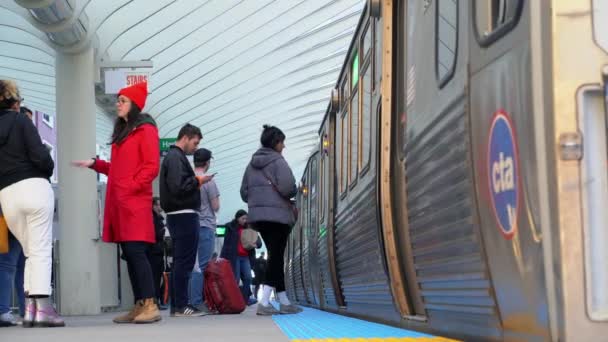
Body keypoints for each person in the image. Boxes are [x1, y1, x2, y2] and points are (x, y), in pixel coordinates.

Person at [72, 82, 161, 324]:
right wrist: (95, 164)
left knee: (136, 252)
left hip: (133, 203)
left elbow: (151, 167)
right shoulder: (125, 132)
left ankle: (150, 304)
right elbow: (119, 169)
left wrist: (128, 187)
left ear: (134, 105)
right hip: (122, 203)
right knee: (129, 254)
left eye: (123, 100)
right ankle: (141, 304)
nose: (117, 104)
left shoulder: (145, 130)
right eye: (118, 100)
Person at [0, 80, 63, 327]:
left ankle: (30, 310)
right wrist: (46, 167)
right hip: (33, 188)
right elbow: (42, 157)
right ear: (15, 102)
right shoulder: (21, 121)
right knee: (40, 250)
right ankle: (44, 309)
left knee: (29, 251)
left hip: (6, 195)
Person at [240, 125, 302, 315]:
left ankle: (283, 300)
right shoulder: (278, 161)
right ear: (275, 143)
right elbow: (288, 188)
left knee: (276, 256)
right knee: (275, 258)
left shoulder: (251, 165)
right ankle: (265, 302)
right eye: (282, 142)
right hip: (278, 217)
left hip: (260, 219)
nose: (284, 146)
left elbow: (244, 193)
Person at [159, 123, 213, 317]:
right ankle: (181, 305)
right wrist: (198, 181)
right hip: (183, 215)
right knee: (184, 261)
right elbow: (177, 187)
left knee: (182, 261)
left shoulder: (175, 157)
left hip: (179, 215)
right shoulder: (175, 158)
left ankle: (178, 305)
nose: (195, 148)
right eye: (195, 143)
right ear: (186, 137)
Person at [188, 148, 219, 311]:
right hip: (205, 226)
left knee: (189, 264)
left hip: (189, 225)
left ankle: (187, 302)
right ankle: (197, 302)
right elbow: (216, 206)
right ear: (207, 163)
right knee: (201, 265)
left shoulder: (187, 178)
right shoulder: (209, 181)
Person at [220, 210, 261, 306]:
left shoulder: (250, 227)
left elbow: (259, 243)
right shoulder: (230, 227)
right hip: (234, 257)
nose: (245, 220)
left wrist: (256, 244)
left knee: (248, 278)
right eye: (243, 218)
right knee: (236, 279)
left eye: (246, 218)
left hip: (245, 257)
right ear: (237, 218)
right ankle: (233, 300)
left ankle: (245, 299)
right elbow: (226, 244)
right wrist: (222, 257)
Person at [151, 197, 167, 310]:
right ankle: (155, 301)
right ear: (154, 206)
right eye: (159, 204)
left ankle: (157, 300)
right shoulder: (154, 219)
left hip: (158, 251)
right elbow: (156, 234)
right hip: (154, 251)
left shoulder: (158, 218)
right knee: (155, 278)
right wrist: (164, 231)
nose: (161, 207)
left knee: (158, 278)